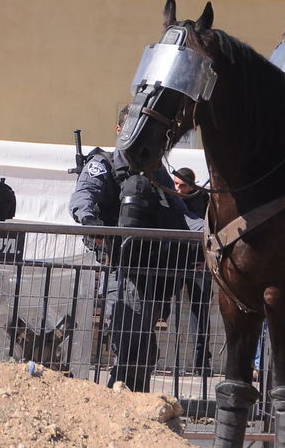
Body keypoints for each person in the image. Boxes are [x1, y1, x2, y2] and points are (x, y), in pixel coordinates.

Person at [68, 106, 188, 391]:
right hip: (123, 271)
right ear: (119, 130)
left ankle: (129, 411)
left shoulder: (156, 169)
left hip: (158, 274)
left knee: (144, 352)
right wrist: (92, 225)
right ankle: (120, 408)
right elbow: (82, 198)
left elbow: (179, 209)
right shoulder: (105, 164)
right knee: (132, 350)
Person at [170, 166, 212, 375]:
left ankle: (202, 362)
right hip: (173, 263)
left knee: (200, 314)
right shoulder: (169, 197)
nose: (178, 188)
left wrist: (206, 261)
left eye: (182, 185)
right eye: (175, 184)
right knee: (161, 309)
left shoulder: (205, 201)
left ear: (192, 186)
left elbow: (213, 232)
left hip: (198, 264)